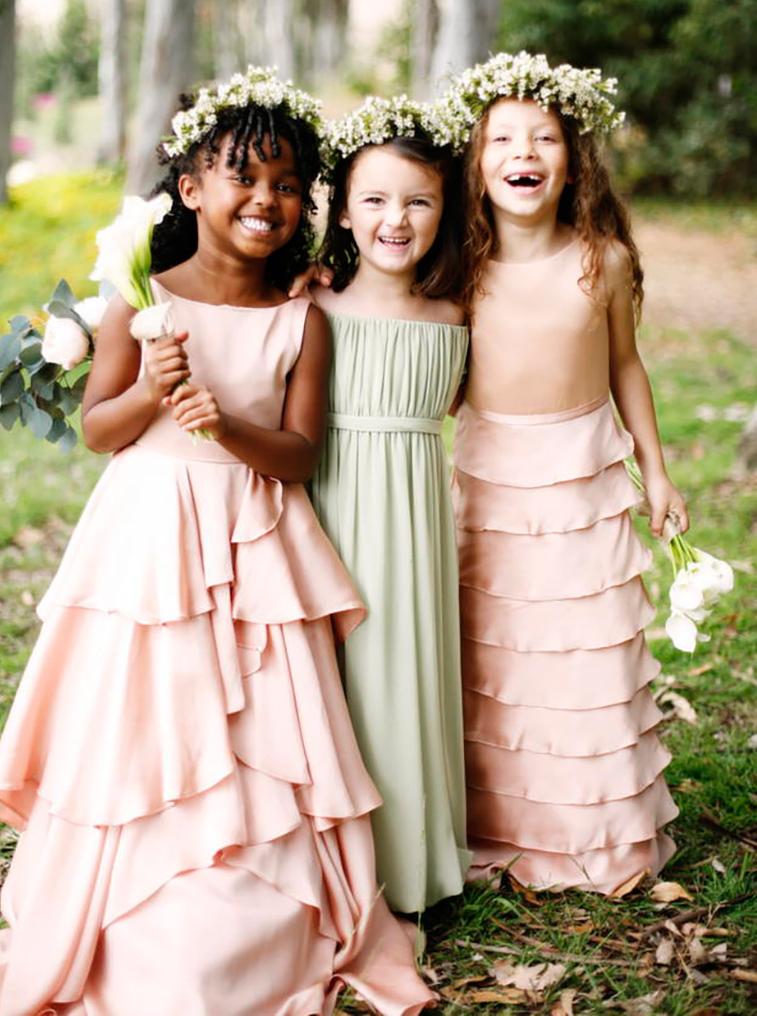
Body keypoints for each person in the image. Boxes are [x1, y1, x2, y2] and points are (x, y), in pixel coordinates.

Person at [0, 70, 436, 1016]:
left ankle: (254, 902)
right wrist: (152, 386)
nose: (267, 200)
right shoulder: (137, 303)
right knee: (143, 714)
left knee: (261, 729)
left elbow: (302, 456)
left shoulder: (302, 317)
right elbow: (102, 429)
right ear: (190, 189)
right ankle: (136, 885)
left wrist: (223, 426)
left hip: (256, 542)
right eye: (243, 178)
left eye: (288, 183)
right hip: (146, 544)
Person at [444, 52, 688, 894]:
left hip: (582, 475)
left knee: (582, 649)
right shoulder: (457, 270)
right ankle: (501, 824)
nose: (525, 151)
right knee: (501, 652)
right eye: (503, 138)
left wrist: (656, 470)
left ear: (572, 159)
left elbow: (626, 366)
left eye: (544, 137)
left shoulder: (603, 258)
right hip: (494, 481)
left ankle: (599, 834)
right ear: (476, 164)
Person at [308, 97, 472, 914]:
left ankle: (406, 866)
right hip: (329, 506)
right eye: (374, 199)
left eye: (418, 200)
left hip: (412, 521)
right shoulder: (313, 305)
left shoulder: (458, 312)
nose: (395, 219)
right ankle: (325, 865)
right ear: (342, 209)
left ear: (445, 209)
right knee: (333, 679)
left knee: (402, 672)